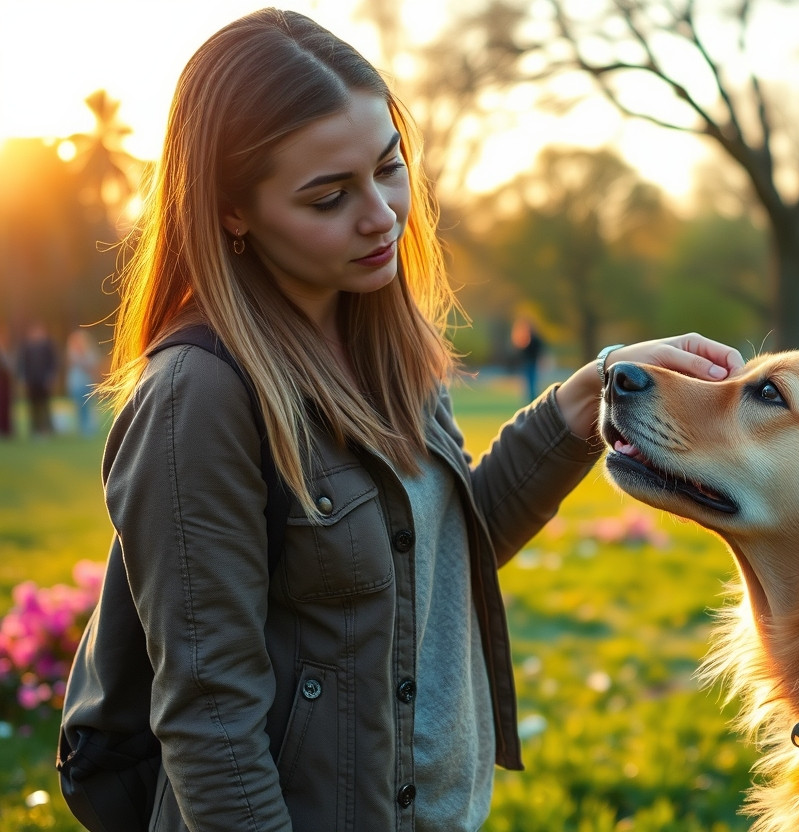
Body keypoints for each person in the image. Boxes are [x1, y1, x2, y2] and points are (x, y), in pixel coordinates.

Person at [64, 9, 742, 831]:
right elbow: (212, 724)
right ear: (231, 211)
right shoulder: (198, 399)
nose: (382, 213)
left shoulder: (382, 337)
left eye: (389, 167)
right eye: (328, 196)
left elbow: (441, 555)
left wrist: (579, 404)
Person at [19, 322, 58, 436]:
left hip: (44, 381)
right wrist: (24, 379)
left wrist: (51, 377)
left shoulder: (47, 346)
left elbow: (53, 363)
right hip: (32, 381)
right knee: (33, 406)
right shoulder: (27, 347)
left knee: (45, 405)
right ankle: (35, 429)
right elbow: (23, 364)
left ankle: (47, 429)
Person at [66, 328, 103, 436]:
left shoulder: (90, 353)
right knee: (79, 406)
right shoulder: (72, 354)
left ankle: (88, 428)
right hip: (76, 384)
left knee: (87, 406)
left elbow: (93, 368)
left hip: (87, 383)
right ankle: (81, 427)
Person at [511, 315, 544, 404]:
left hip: (532, 363)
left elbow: (539, 351)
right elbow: (520, 351)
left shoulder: (535, 339)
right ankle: (530, 400)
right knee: (527, 384)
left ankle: (533, 400)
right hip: (526, 364)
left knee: (532, 383)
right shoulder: (524, 338)